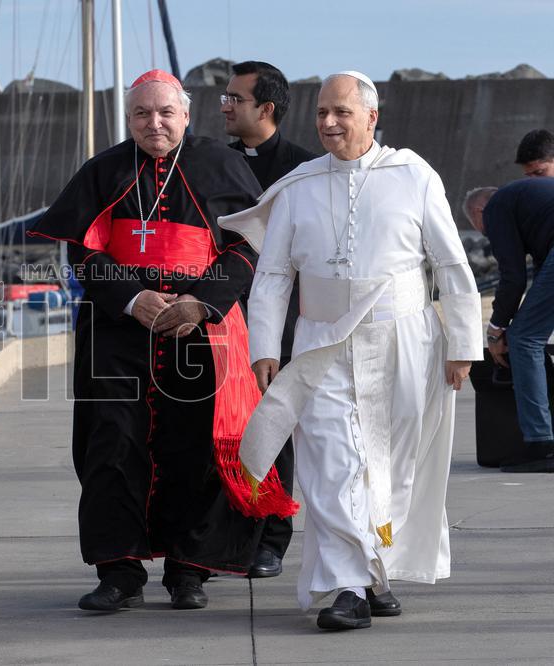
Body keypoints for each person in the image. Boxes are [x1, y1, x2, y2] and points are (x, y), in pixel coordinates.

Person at [219, 71, 482, 630]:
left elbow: (452, 264)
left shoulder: (414, 176)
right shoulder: (299, 185)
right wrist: (265, 346)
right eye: (321, 113)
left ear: (371, 117)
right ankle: (348, 587)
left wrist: (463, 344)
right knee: (331, 464)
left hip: (405, 339)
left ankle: (376, 568)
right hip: (321, 343)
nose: (329, 123)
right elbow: (271, 276)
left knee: (393, 464)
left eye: (341, 112)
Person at [29, 69, 296, 612]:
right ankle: (118, 570)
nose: (154, 123)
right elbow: (82, 252)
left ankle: (188, 569)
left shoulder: (221, 166)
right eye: (142, 114)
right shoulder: (104, 170)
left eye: (165, 112)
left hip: (202, 330)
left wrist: (202, 303)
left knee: (197, 448)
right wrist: (132, 298)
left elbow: (249, 249)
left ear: (186, 114)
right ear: (128, 118)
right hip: (118, 332)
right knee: (111, 444)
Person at [222, 60, 317, 579]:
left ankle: (270, 540)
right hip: (217, 318)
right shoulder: (212, 161)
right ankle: (226, 536)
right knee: (222, 432)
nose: (225, 106)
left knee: (273, 427)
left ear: (267, 108)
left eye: (236, 98)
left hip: (277, 326)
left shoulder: (306, 170)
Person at [466, 178, 554, 472]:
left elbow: (513, 276)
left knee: (525, 339)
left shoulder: (496, 207)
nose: (487, 235)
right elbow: (539, 276)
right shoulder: (531, 205)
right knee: (528, 335)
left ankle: (541, 444)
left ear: (479, 213)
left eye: (483, 231)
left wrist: (496, 330)